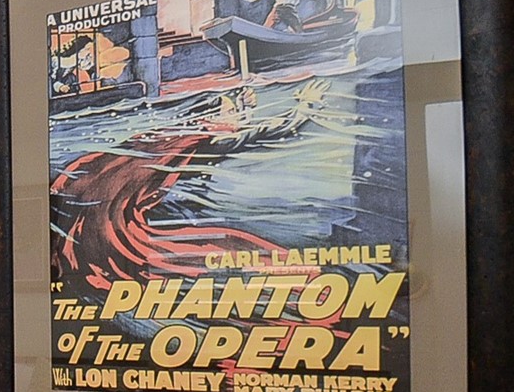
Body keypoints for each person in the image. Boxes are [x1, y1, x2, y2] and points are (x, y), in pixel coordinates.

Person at [50, 77, 330, 291]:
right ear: (214, 116)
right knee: (223, 246)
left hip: (96, 209)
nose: (237, 118)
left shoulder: (174, 132)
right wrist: (304, 109)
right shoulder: (205, 136)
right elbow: (256, 134)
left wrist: (245, 109)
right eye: (232, 112)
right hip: (114, 223)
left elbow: (238, 130)